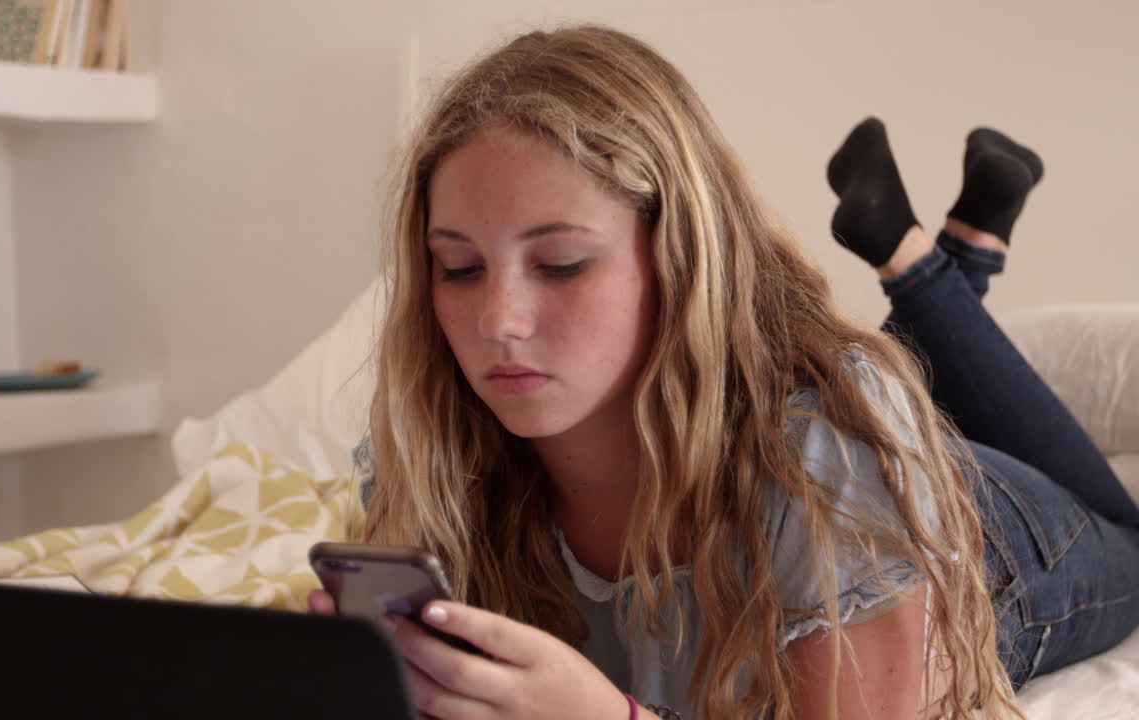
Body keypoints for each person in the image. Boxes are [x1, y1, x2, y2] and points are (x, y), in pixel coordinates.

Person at [307, 25, 1139, 720]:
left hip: (991, 537)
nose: (498, 321)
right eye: (457, 268)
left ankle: (931, 266)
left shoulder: (827, 456)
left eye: (561, 264)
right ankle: (957, 253)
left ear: (682, 259)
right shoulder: (431, 446)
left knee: (1128, 538)